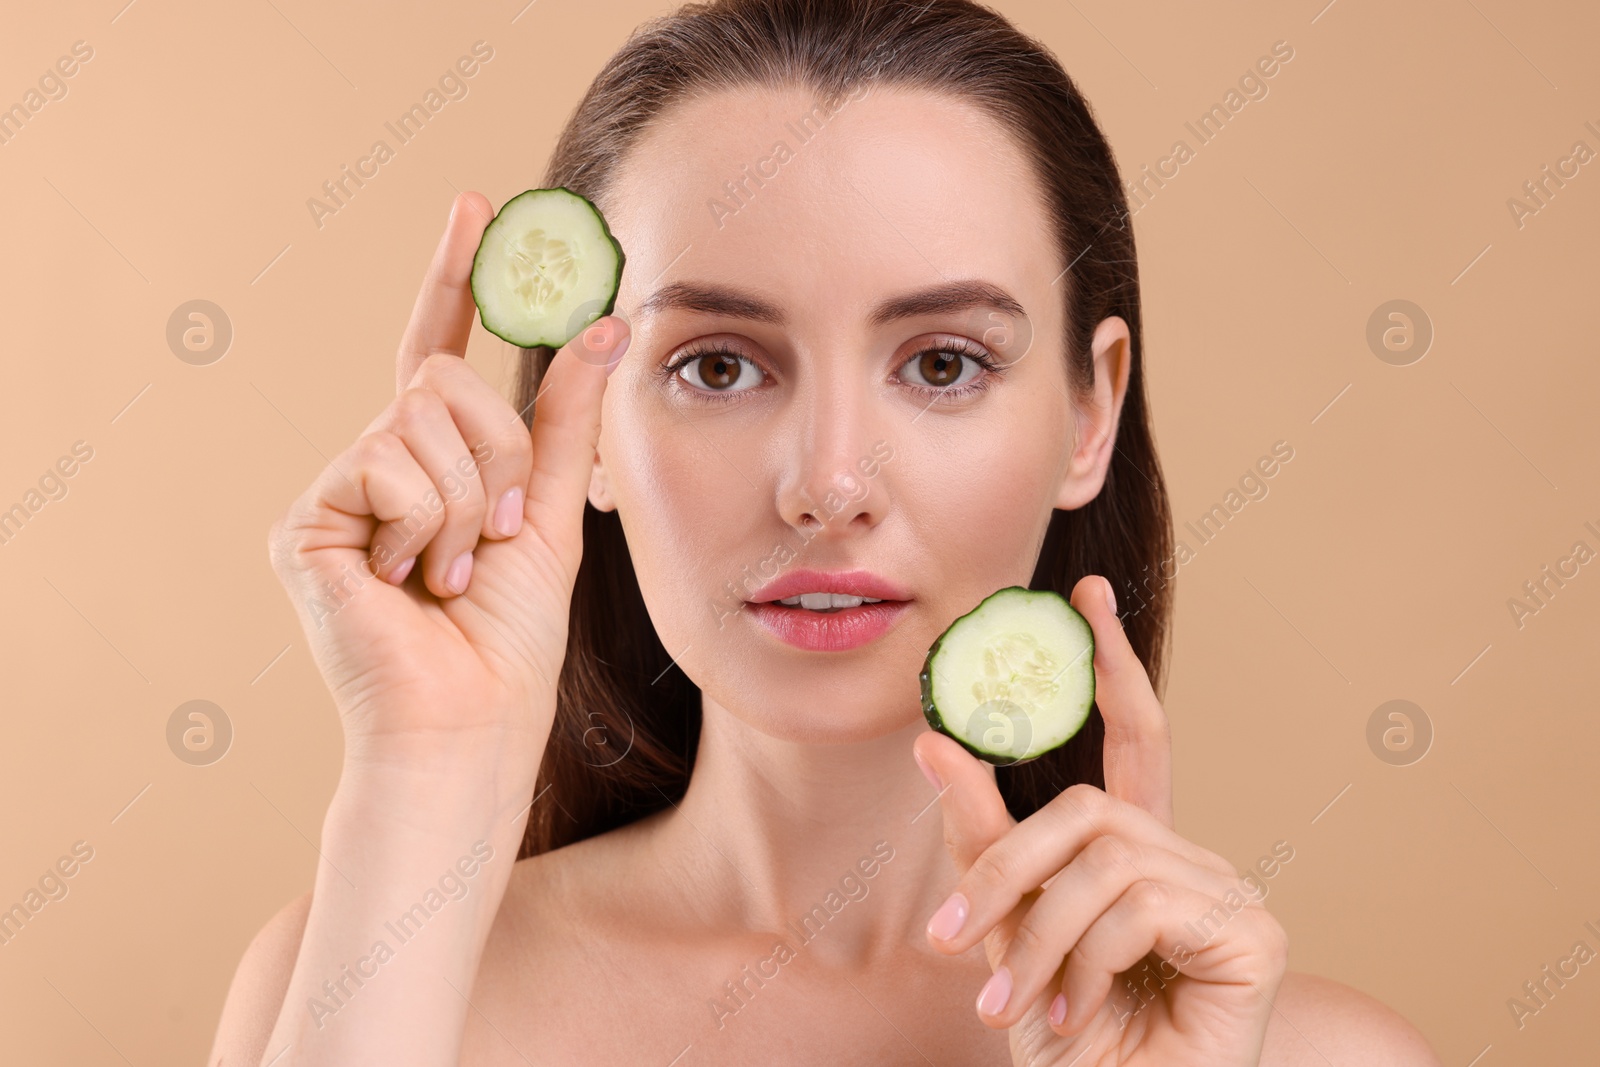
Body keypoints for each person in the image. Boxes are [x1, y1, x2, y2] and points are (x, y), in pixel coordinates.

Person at [211, 1, 1442, 1062]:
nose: (829, 482)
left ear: (1089, 411)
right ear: (576, 425)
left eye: (945, 361)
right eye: (718, 366)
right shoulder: (349, 977)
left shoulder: (1304, 1049)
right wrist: (428, 769)